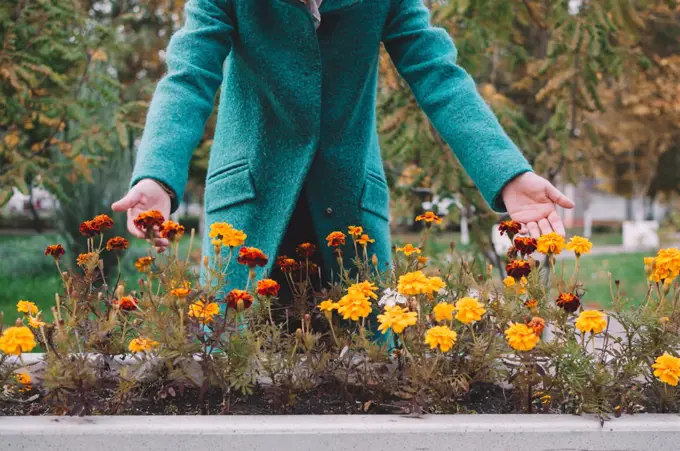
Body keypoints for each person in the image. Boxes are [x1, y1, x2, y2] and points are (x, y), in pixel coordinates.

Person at [112, 0, 574, 294]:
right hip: (249, 211)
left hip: (348, 213)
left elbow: (440, 77)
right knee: (234, 372)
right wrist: (157, 176)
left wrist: (509, 176)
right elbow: (188, 78)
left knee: (366, 379)